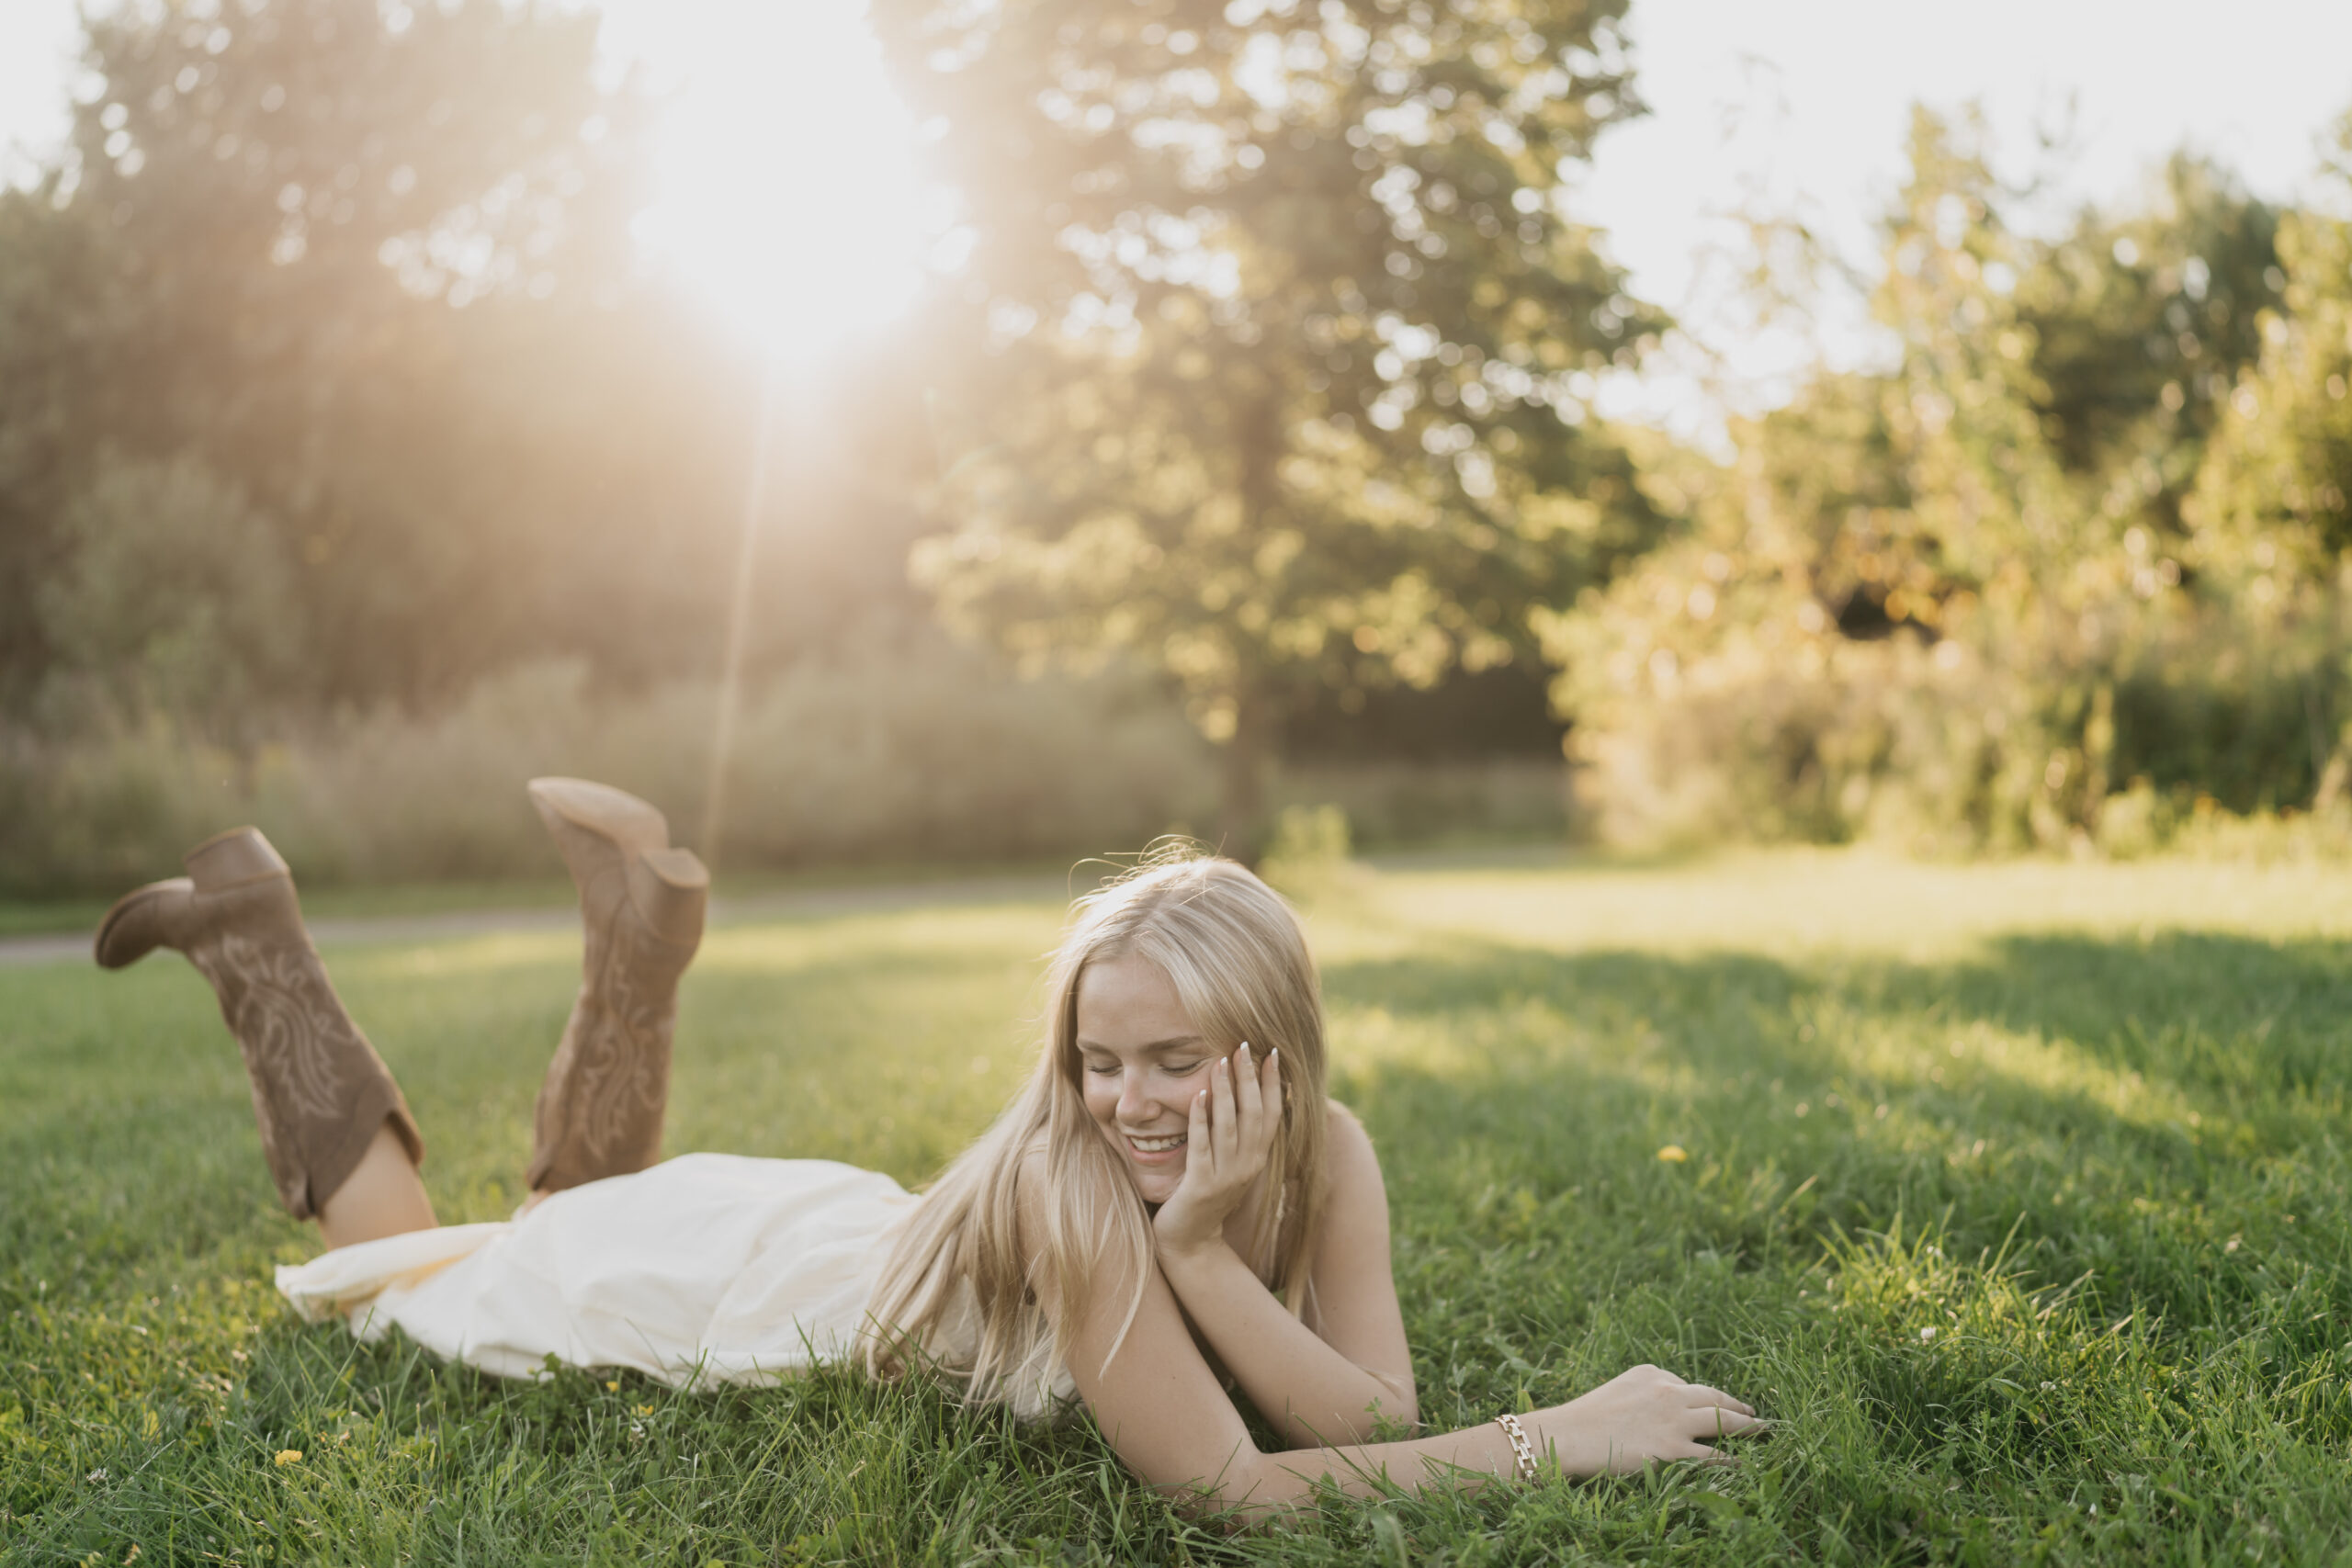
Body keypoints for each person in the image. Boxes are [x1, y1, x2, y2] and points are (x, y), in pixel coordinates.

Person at [95, 776, 1759, 1519]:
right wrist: (1562, 1438)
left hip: (826, 1225)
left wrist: (1214, 1263)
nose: (1130, 1101)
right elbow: (1240, 1492)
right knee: (420, 1273)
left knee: (546, 1214)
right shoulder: (1075, 1194)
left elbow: (1378, 1415)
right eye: (1099, 1060)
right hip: (735, 1291)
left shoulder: (1334, 1149)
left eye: (1177, 1060)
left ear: (1279, 1048)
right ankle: (261, 949)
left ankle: (623, 957)